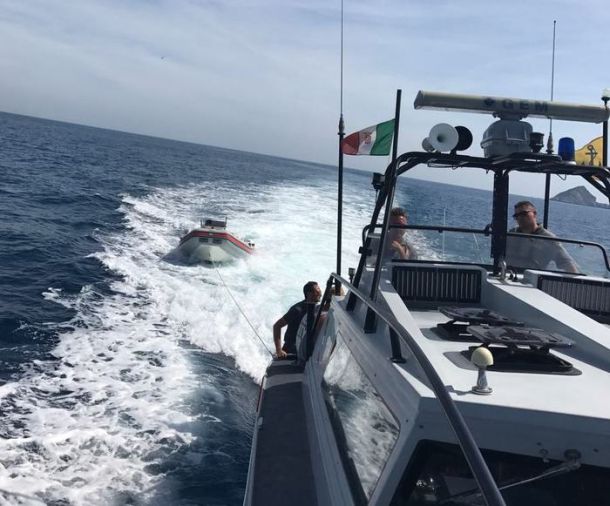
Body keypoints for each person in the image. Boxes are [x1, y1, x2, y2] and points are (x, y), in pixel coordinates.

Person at [505, 201, 579, 273]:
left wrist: (576, 279)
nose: (520, 218)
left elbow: (567, 263)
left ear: (534, 214)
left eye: (524, 214)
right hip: (507, 276)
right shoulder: (511, 235)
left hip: (532, 279)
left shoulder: (548, 239)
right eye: (516, 216)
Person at [273, 281, 322, 358]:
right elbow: (277, 326)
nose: (320, 293)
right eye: (317, 291)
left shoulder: (317, 309)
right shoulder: (297, 309)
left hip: (306, 348)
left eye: (320, 290)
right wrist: (279, 350)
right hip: (291, 349)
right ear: (309, 294)